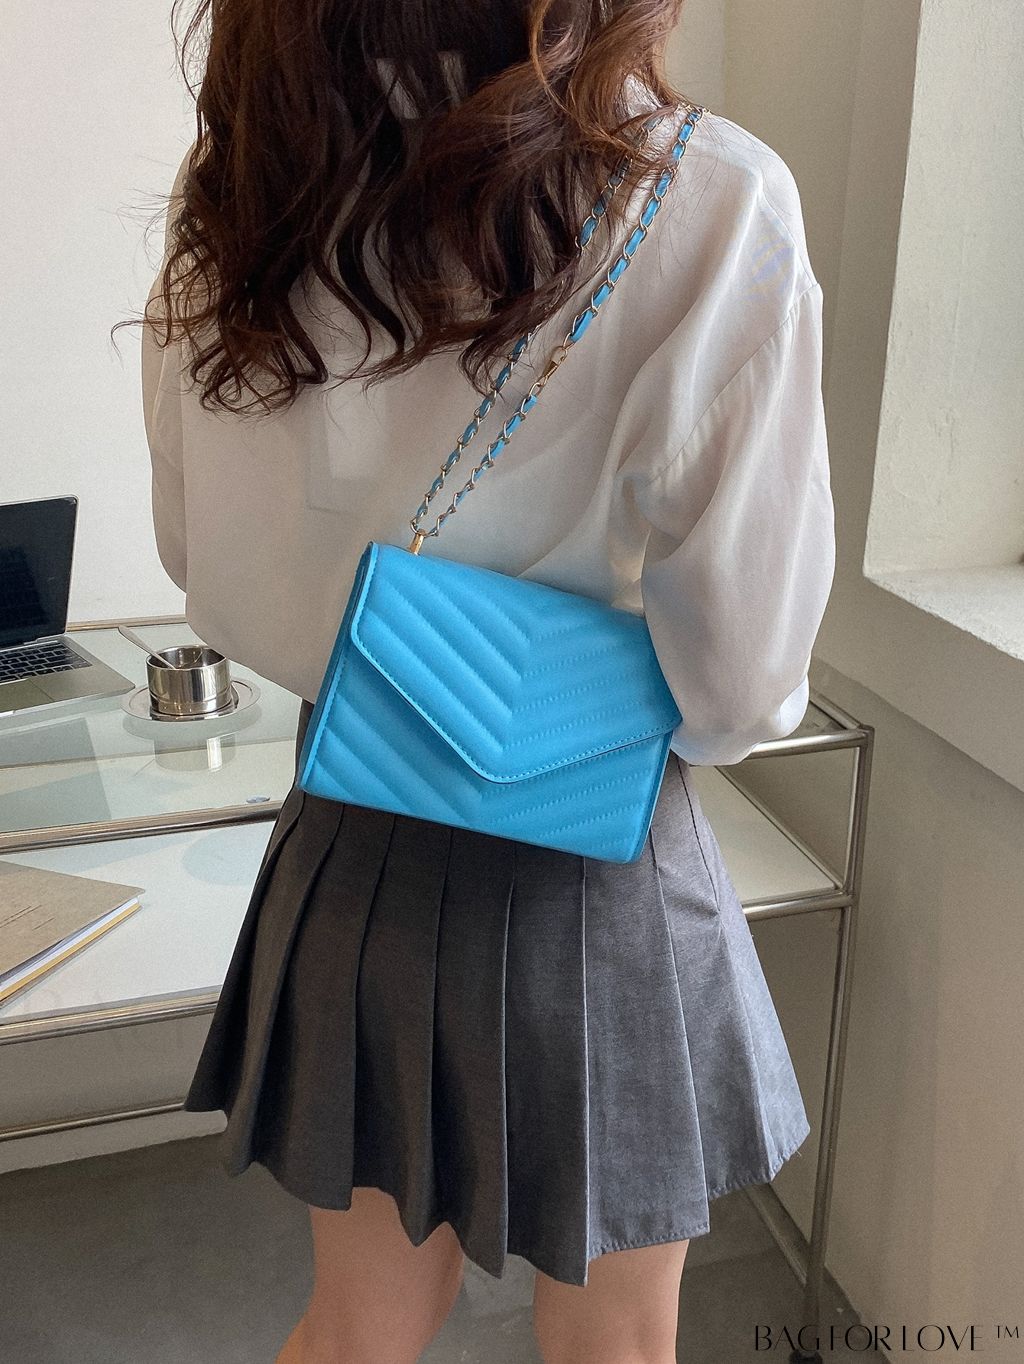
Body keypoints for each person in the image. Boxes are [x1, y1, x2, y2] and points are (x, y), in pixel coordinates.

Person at [135, 2, 835, 1360]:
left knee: (359, 1326)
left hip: (354, 833)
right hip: (592, 853)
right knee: (614, 1344)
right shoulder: (707, 195)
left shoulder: (252, 180)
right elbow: (743, 685)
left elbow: (202, 562)